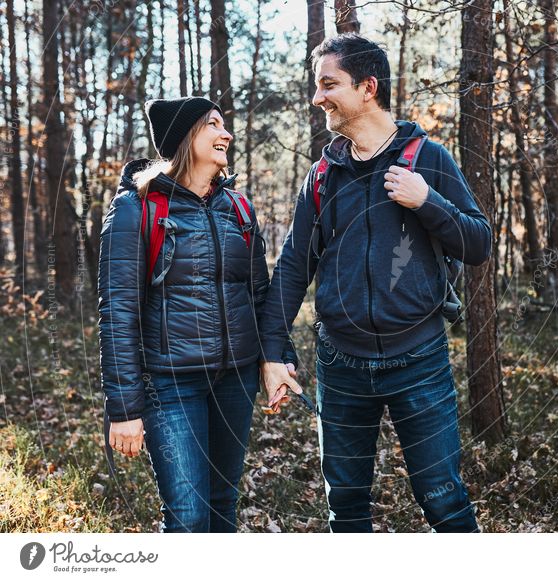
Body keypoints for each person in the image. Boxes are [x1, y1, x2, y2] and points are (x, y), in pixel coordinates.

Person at [260, 34, 491, 532]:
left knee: (445, 503)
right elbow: (294, 265)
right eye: (317, 85)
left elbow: (478, 244)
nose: (317, 97)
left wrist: (427, 201)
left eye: (328, 84)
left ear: (368, 88)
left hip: (419, 361)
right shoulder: (322, 175)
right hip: (340, 365)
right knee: (345, 508)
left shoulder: (428, 159)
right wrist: (274, 353)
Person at [98, 96, 296, 533]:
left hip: (235, 380)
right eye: (214, 124)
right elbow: (117, 312)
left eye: (225, 125)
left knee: (223, 503)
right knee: (188, 516)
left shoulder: (238, 208)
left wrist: (277, 359)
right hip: (169, 384)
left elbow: (259, 294)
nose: (226, 134)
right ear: (186, 137)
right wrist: (124, 408)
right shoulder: (137, 207)